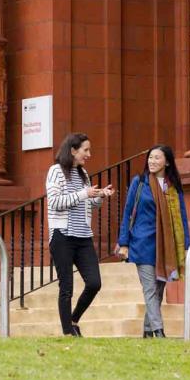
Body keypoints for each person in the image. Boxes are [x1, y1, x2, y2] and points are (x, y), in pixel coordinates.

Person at [116, 145, 190, 338]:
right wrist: (124, 242)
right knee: (150, 289)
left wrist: (187, 245)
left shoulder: (173, 187)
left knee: (158, 289)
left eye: (157, 158)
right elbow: (127, 213)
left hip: (166, 246)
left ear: (167, 162)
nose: (152, 161)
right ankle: (159, 331)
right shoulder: (139, 183)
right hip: (142, 244)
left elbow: (182, 217)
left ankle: (148, 331)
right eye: (150, 158)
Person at [46, 132, 114, 337]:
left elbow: (86, 203)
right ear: (73, 150)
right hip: (62, 236)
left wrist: (100, 196)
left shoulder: (83, 174)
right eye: (86, 150)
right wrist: (85, 194)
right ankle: (68, 332)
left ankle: (73, 320)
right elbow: (55, 202)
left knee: (94, 283)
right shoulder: (56, 171)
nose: (89, 154)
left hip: (83, 237)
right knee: (66, 286)